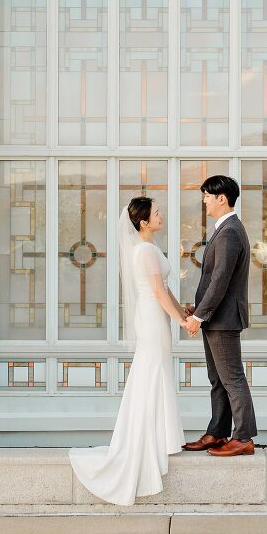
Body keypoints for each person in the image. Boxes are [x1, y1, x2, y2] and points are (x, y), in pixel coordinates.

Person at [68, 196, 189, 506]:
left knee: (154, 373)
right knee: (151, 374)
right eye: (156, 213)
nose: (161, 215)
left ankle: (158, 436)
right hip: (151, 319)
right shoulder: (146, 251)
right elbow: (159, 293)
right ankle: (146, 440)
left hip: (156, 317)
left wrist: (184, 315)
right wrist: (183, 322)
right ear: (144, 222)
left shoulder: (148, 249)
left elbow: (167, 291)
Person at [182, 173, 257, 456]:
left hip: (223, 320)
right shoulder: (224, 229)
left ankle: (244, 437)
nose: (204, 201)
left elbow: (221, 279)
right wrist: (197, 308)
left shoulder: (230, 231)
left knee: (232, 378)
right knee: (218, 379)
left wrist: (199, 317)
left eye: (206, 196)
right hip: (215, 318)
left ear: (221, 198)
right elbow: (213, 278)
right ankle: (217, 432)